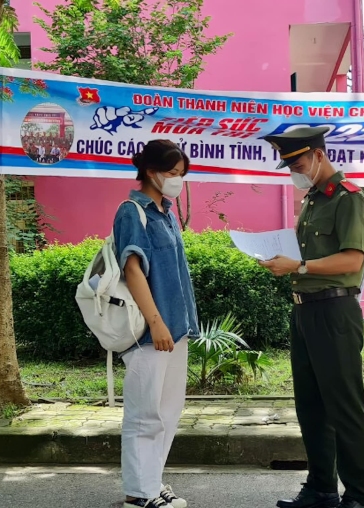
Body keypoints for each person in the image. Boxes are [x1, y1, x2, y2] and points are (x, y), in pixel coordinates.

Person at [258, 127, 364, 508]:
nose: (293, 169)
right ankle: (320, 488)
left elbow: (352, 260)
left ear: (319, 156)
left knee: (344, 406)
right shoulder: (311, 200)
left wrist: (302, 265)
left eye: (298, 162)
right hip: (304, 311)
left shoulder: (348, 199)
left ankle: (358, 496)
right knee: (311, 405)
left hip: (334, 310)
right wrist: (284, 264)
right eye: (289, 164)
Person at [113, 139, 200, 508]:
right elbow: (132, 270)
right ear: (150, 171)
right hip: (151, 332)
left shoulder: (165, 212)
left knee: (167, 413)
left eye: (181, 175)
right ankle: (138, 493)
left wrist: (175, 324)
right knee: (144, 413)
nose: (178, 180)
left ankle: (152, 482)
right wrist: (156, 322)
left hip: (176, 329)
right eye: (172, 173)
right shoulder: (132, 211)